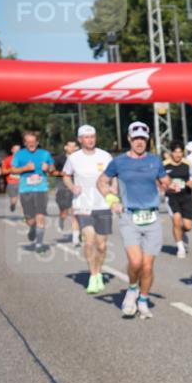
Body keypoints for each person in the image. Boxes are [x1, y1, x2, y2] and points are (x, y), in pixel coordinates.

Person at [98, 121, 169, 319]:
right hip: (129, 216)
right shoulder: (119, 162)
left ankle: (143, 299)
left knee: (147, 266)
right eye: (136, 138)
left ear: (148, 140)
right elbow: (101, 182)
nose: (139, 142)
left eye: (143, 139)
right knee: (136, 262)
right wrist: (112, 201)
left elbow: (164, 180)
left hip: (152, 217)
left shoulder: (155, 160)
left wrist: (170, 185)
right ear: (129, 139)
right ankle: (131, 289)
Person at [63, 125, 114, 294]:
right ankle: (93, 276)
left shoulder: (105, 156)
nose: (90, 140)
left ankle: (98, 271)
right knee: (89, 240)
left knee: (102, 245)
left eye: (92, 136)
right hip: (82, 204)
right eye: (86, 137)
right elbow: (66, 175)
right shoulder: (74, 158)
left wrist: (114, 192)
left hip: (103, 204)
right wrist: (72, 187)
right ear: (80, 140)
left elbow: (114, 175)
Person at [11, 130, 54, 253]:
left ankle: (39, 244)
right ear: (25, 143)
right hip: (26, 190)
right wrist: (25, 168)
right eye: (28, 142)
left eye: (33, 141)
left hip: (41, 189)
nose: (31, 144)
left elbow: (52, 167)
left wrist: (49, 168)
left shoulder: (45, 154)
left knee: (40, 217)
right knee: (30, 219)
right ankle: (32, 227)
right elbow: (13, 170)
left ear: (37, 142)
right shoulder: (19, 154)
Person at [164, 141, 192, 258]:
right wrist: (166, 186)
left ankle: (181, 232)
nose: (178, 155)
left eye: (180, 152)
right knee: (176, 219)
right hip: (172, 197)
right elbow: (159, 180)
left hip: (186, 196)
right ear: (171, 152)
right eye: (175, 152)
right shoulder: (165, 164)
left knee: (187, 226)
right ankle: (180, 248)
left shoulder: (187, 164)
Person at [52, 140, 79, 244]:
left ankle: (75, 237)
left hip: (76, 186)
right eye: (70, 146)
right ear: (65, 147)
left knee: (75, 211)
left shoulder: (80, 158)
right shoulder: (59, 158)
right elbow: (52, 171)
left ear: (77, 147)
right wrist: (61, 173)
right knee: (64, 212)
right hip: (62, 186)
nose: (72, 148)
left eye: (74, 146)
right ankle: (61, 219)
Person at [1, 144, 22, 213]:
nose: (17, 151)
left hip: (23, 182)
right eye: (15, 149)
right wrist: (11, 170)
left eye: (19, 150)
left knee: (24, 200)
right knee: (14, 200)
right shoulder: (7, 159)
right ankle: (13, 205)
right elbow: (3, 171)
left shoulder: (24, 159)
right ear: (12, 150)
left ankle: (26, 217)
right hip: (11, 182)